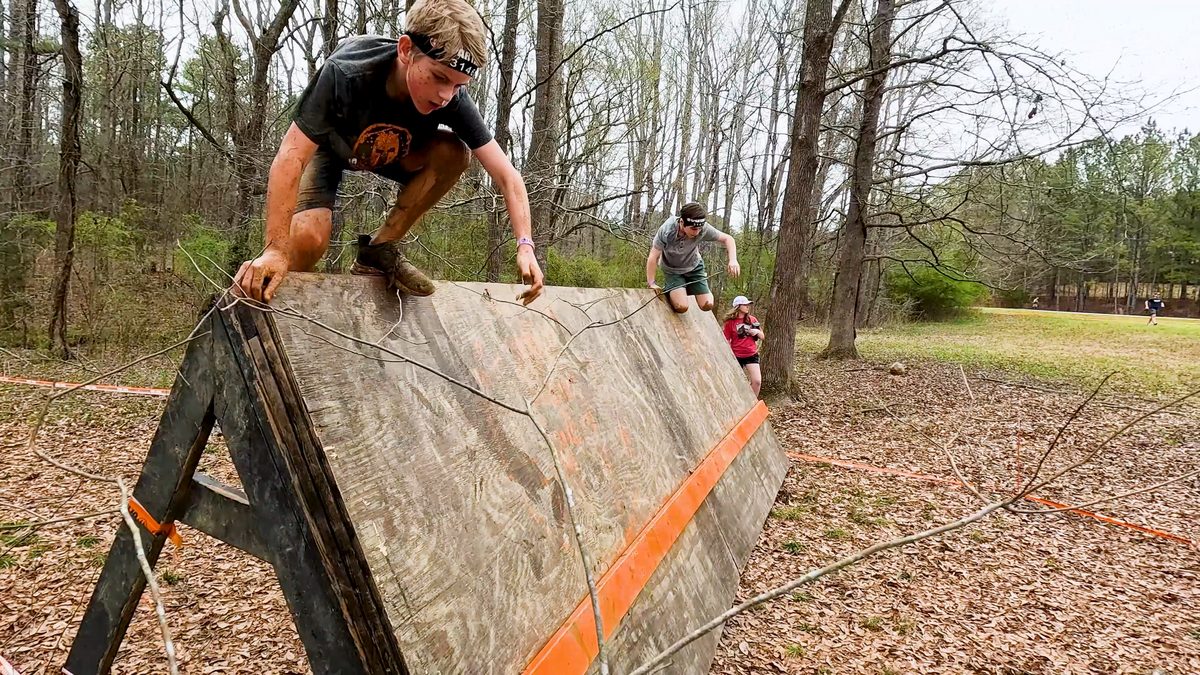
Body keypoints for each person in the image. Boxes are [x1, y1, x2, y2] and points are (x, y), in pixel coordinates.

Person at [232, 0, 543, 305]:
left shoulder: (452, 99)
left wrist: (525, 245)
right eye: (439, 77)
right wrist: (274, 249)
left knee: (455, 153)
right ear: (406, 50)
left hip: (394, 152)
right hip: (329, 148)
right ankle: (258, 305)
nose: (446, 95)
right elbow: (291, 156)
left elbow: (507, 176)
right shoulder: (347, 71)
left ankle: (378, 249)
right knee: (308, 239)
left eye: (459, 86)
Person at [645, 202, 739, 313]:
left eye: (699, 229)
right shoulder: (667, 230)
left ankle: (686, 289)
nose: (697, 232)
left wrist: (733, 260)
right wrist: (651, 283)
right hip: (673, 270)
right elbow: (653, 256)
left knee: (707, 305)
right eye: (694, 229)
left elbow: (728, 239)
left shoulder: (703, 228)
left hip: (694, 266)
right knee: (681, 307)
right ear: (682, 222)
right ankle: (675, 289)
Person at [723, 296, 763, 396]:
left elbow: (762, 336)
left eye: (748, 304)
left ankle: (753, 401)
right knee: (736, 383)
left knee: (757, 381)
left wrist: (757, 332)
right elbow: (726, 340)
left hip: (751, 354)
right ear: (738, 306)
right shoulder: (730, 322)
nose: (747, 306)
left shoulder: (752, 319)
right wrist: (729, 356)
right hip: (736, 356)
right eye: (745, 304)